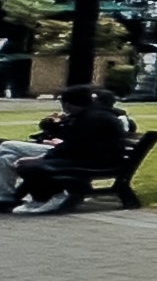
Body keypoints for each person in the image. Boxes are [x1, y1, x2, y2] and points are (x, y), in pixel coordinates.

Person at [9, 86, 137, 214]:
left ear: (67, 104)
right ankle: (41, 197)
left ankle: (51, 197)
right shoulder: (92, 114)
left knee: (30, 167)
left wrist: (41, 158)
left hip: (98, 161)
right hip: (98, 158)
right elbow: (75, 144)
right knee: (30, 165)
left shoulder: (91, 119)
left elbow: (74, 146)